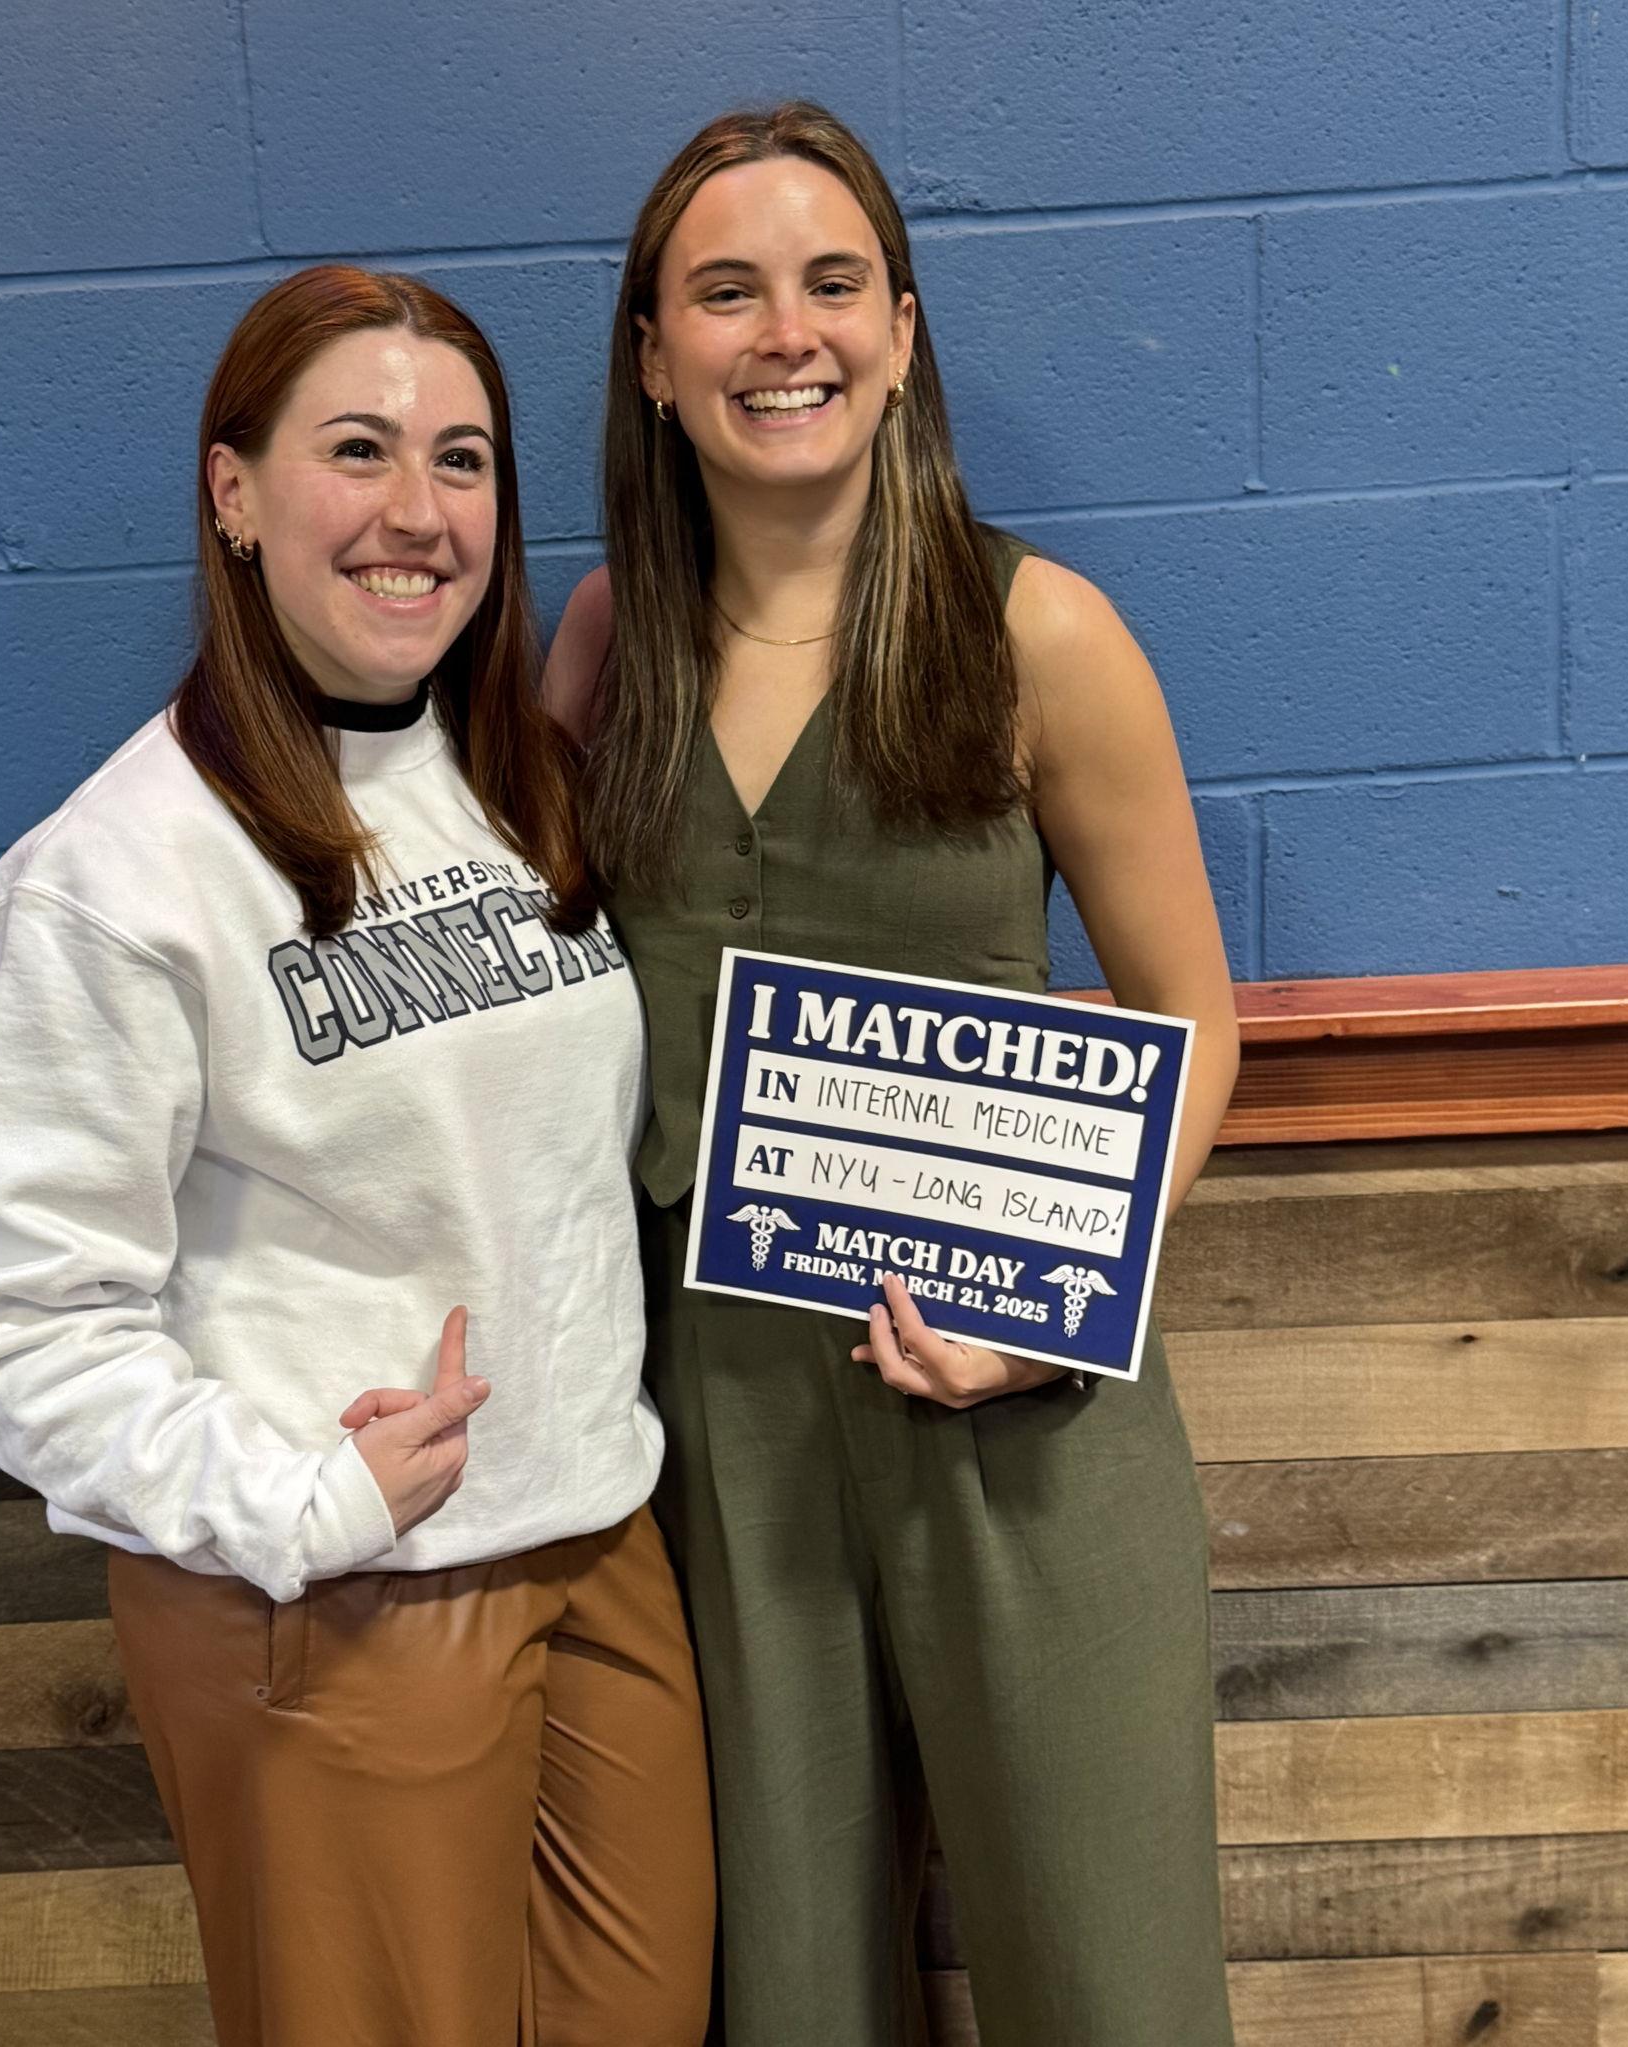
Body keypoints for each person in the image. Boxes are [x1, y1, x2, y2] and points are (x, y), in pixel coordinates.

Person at [0, 266, 713, 2047]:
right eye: (358, 451)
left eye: (462, 461)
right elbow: (4, 1318)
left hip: (592, 1529)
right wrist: (295, 1503)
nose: (418, 511)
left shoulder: (525, 783)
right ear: (234, 492)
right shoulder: (118, 875)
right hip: (336, 1590)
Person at [546, 104, 1240, 2047]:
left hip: (1018, 1400)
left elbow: (1191, 1014)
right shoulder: (603, 644)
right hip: (717, 1424)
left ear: (903, 333)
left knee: (1107, 1976)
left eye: (833, 283)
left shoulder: (1040, 634)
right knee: (788, 1987)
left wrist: (1053, 1300)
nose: (788, 333)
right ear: (652, 357)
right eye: (727, 292)